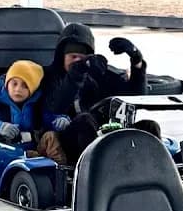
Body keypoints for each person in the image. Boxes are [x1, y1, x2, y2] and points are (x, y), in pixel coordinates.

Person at [38, 22, 147, 165]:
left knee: (148, 126)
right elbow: (56, 105)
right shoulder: (47, 76)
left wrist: (137, 61)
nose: (77, 61)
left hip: (102, 137)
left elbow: (134, 97)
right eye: (73, 56)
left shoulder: (98, 75)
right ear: (62, 56)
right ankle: (98, 169)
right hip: (66, 140)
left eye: (81, 57)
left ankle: (154, 171)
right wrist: (79, 70)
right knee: (85, 120)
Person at [0, 60, 43, 144]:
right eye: (14, 84)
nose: (18, 89)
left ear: (33, 90)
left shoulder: (38, 106)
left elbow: (50, 122)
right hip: (2, 148)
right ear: (7, 84)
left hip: (31, 148)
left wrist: (56, 124)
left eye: (25, 86)